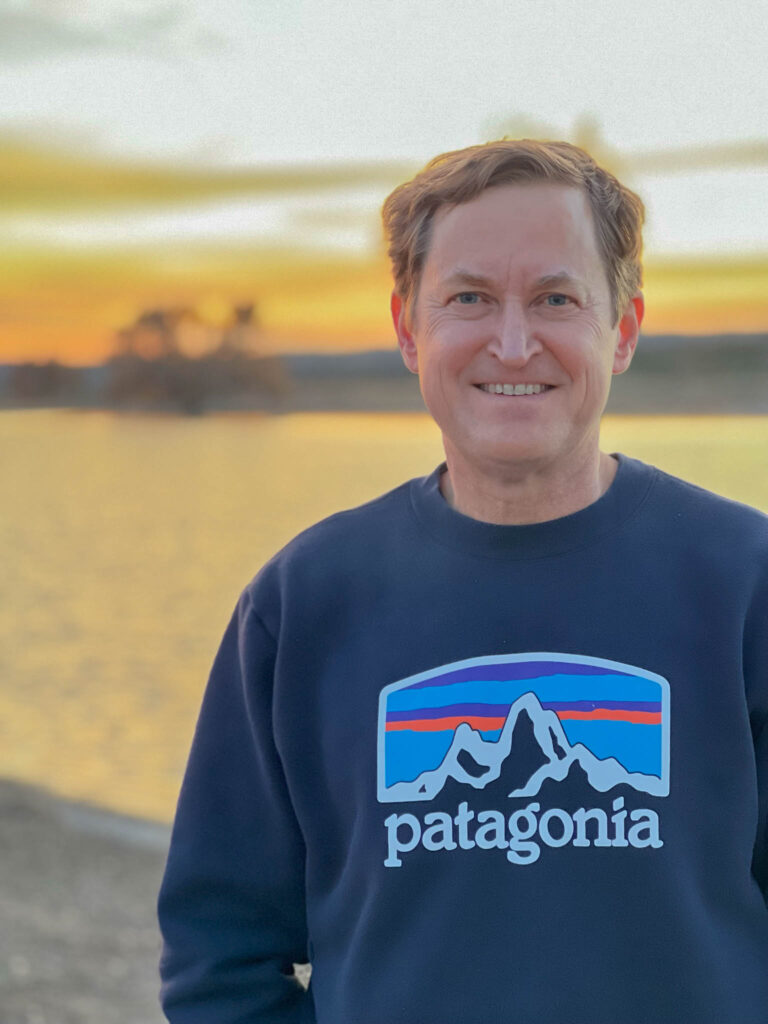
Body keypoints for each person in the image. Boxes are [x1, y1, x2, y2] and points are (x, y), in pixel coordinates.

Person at [157, 139, 768, 1023]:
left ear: (623, 329)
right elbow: (220, 952)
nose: (513, 344)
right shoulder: (305, 602)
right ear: (411, 330)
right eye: (469, 299)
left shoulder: (745, 583)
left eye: (556, 299)